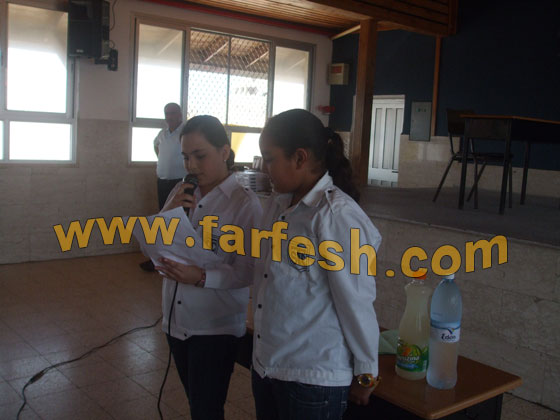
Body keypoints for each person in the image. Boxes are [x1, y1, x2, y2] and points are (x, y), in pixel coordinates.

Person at [251, 109, 382, 420]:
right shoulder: (278, 205)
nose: (264, 169)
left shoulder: (336, 216)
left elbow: (356, 301)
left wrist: (366, 372)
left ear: (300, 158)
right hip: (269, 365)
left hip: (312, 379)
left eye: (269, 159)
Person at [154, 115, 262, 420]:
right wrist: (169, 211)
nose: (191, 166)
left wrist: (201, 277)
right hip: (176, 320)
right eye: (186, 157)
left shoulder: (244, 204)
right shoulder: (182, 192)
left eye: (200, 156)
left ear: (224, 152)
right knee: (196, 402)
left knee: (206, 409)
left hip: (214, 327)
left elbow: (247, 270)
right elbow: (155, 244)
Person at [140, 102, 187, 272]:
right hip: (163, 182)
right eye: (167, 113)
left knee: (178, 222)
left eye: (173, 113)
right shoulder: (162, 133)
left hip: (179, 183)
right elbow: (156, 146)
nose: (169, 117)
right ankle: (159, 259)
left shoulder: (185, 132)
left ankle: (177, 259)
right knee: (163, 219)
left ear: (180, 114)